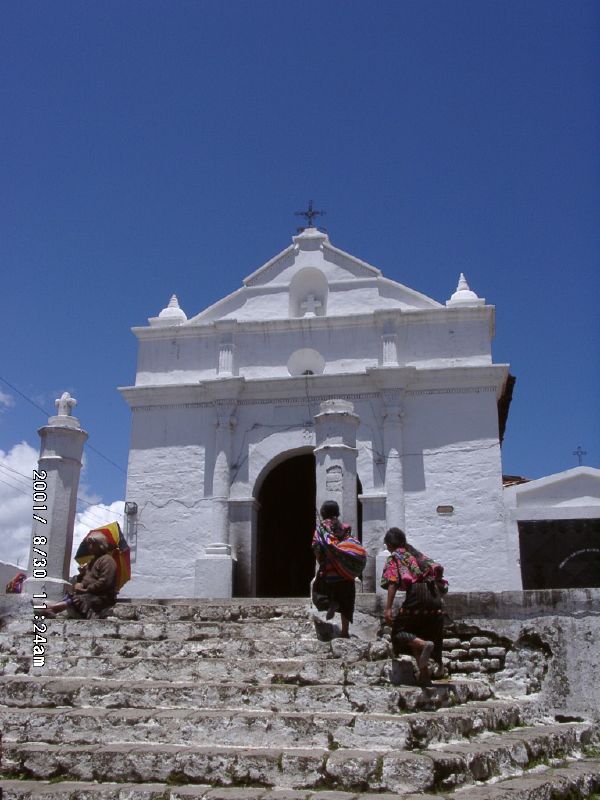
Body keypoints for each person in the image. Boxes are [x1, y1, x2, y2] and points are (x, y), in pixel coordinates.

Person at [380, 527, 448, 684]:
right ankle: (424, 676)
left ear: (390, 544)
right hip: (435, 597)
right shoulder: (418, 555)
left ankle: (423, 644)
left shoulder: (396, 557)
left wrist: (388, 608)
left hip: (417, 595)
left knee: (398, 633)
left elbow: (392, 582)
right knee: (416, 632)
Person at [312, 500, 366, 638]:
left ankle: (332, 603)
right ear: (337, 513)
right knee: (347, 601)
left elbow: (317, 549)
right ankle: (345, 632)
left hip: (329, 573)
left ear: (323, 513)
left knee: (318, 595)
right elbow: (348, 544)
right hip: (346, 573)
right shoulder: (344, 527)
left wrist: (324, 561)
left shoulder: (321, 529)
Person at [43, 532, 118, 619]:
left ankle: (54, 608)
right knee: (72, 594)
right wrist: (81, 577)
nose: (90, 547)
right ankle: (55, 607)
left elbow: (105, 582)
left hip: (102, 596)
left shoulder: (107, 560)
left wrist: (86, 589)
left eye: (92, 544)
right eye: (89, 544)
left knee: (81, 599)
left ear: (100, 544)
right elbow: (87, 579)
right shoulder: (92, 561)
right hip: (89, 592)